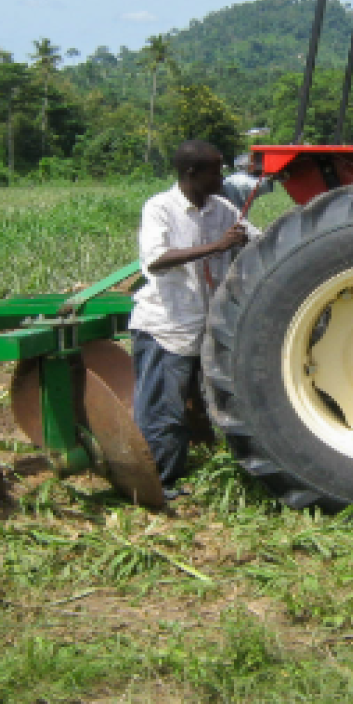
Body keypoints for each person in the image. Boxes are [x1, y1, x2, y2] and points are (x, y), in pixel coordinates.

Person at [128, 140, 260, 500]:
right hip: (166, 326)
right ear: (191, 174)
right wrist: (217, 247)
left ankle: (186, 468)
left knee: (205, 403)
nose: (221, 176)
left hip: (206, 326)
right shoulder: (160, 208)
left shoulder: (222, 208)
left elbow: (258, 240)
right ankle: (157, 484)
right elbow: (155, 260)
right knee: (163, 411)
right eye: (214, 170)